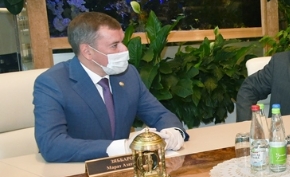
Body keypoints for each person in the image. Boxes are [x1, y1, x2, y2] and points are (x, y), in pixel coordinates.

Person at [33, 12, 187, 163]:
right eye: (114, 45)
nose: (124, 49)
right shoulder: (53, 82)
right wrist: (121, 148)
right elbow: (51, 144)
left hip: (126, 170)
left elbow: (160, 114)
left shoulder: (128, 75)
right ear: (87, 51)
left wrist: (173, 132)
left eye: (122, 41)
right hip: (75, 171)